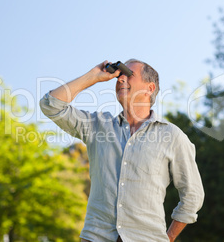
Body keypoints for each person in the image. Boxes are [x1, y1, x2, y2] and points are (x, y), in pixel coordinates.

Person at [39, 59, 205, 242]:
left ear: (150, 88)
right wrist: (92, 77)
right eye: (119, 75)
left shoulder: (172, 136)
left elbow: (192, 195)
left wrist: (169, 237)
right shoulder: (98, 126)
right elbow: (51, 105)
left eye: (128, 74)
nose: (120, 79)